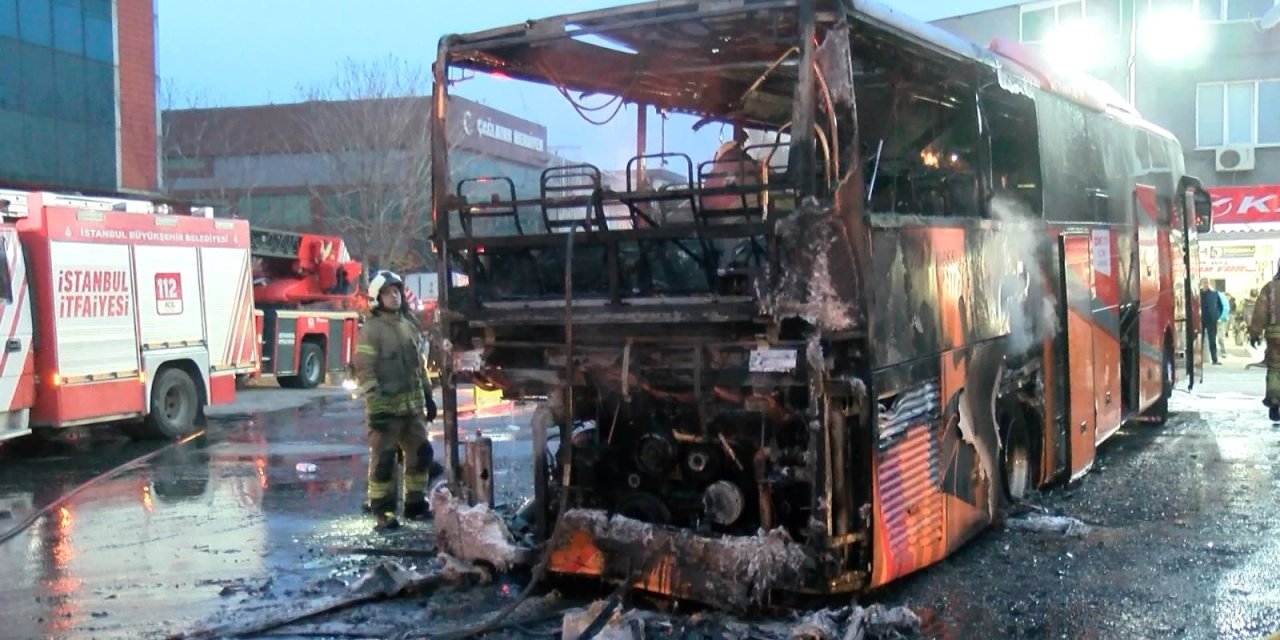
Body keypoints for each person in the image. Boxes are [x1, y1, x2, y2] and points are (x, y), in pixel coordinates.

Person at [354, 270, 442, 529]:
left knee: (421, 455)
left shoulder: (408, 325)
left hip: (412, 408)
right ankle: (383, 511)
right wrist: (376, 405)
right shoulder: (372, 330)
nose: (395, 297)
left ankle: (415, 504)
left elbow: (420, 365)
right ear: (376, 298)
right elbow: (364, 370)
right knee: (384, 461)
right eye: (388, 293)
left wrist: (428, 395)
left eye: (397, 292)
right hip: (386, 409)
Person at [1248, 262, 1280, 421]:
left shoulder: (1270, 288)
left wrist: (1255, 333)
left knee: (1275, 369)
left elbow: (1260, 312)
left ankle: (1274, 400)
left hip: (1275, 336)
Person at [1200, 279, 1223, 366]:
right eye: (1204, 283)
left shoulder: (1214, 294)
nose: (1206, 284)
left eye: (1207, 283)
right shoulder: (1198, 294)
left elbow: (1220, 306)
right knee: (1199, 340)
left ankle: (1214, 359)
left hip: (1211, 320)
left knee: (1212, 340)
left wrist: (1217, 316)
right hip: (1200, 319)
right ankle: (1199, 360)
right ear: (1201, 284)